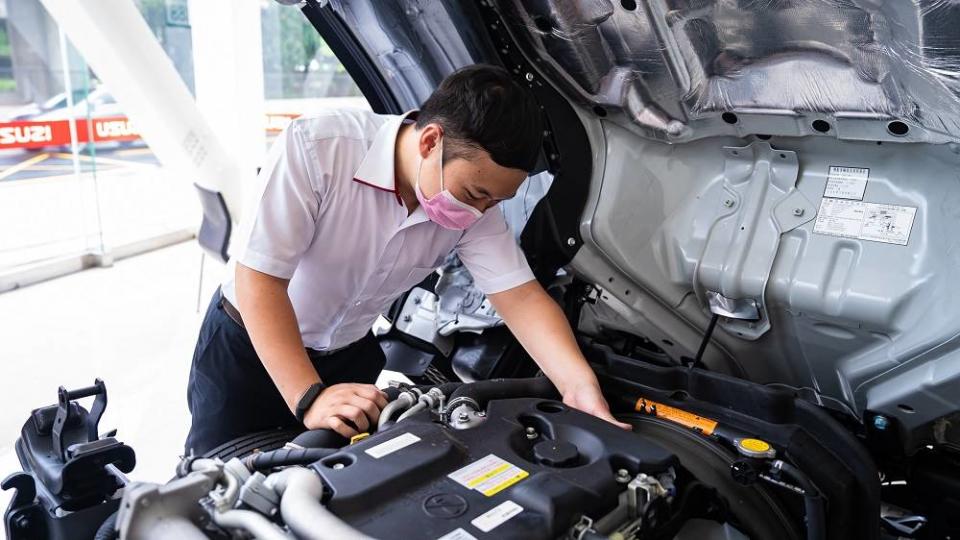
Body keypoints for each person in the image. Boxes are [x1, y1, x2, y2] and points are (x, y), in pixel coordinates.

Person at [184, 64, 629, 456]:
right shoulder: (320, 147)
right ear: (431, 140)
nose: (479, 213)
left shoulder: (475, 206)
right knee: (216, 491)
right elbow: (259, 279)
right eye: (475, 194)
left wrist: (580, 389)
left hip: (349, 358)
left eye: (496, 201)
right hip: (250, 352)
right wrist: (308, 396)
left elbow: (521, 296)